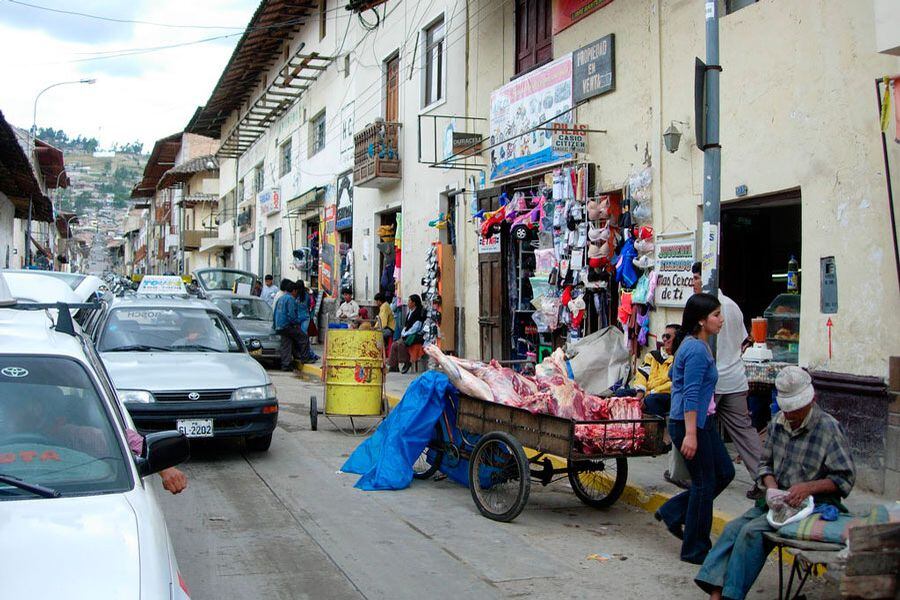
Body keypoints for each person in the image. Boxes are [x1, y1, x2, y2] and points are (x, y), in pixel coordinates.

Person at [695, 366, 855, 600]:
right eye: (787, 410)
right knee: (732, 529)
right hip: (778, 502)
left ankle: (732, 595)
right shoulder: (778, 422)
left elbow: (845, 478)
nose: (789, 415)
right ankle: (716, 592)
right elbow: (764, 464)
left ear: (811, 401)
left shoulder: (829, 428)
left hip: (815, 504)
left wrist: (807, 488)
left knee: (751, 532)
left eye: (795, 410)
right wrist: (770, 487)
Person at [655, 293, 735, 565]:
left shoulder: (695, 345)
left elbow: (676, 379)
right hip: (690, 424)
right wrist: (690, 434)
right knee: (705, 483)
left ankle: (673, 511)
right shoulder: (697, 349)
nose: (721, 319)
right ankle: (695, 549)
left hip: (702, 422)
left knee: (725, 472)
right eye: (716, 315)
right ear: (702, 320)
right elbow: (690, 394)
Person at [692, 261, 764, 499]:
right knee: (745, 433)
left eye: (695, 278)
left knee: (697, 428)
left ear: (706, 277)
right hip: (735, 378)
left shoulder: (706, 310)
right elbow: (744, 341)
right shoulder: (733, 306)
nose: (693, 283)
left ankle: (694, 476)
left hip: (712, 381)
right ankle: (764, 479)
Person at [633, 323, 679, 418]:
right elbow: (642, 374)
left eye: (668, 336)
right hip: (647, 392)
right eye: (663, 336)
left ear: (677, 339)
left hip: (665, 395)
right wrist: (640, 392)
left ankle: (657, 428)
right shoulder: (652, 355)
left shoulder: (679, 358)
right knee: (621, 395)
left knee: (651, 400)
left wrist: (651, 393)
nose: (665, 339)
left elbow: (674, 383)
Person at [387, 294, 426, 374]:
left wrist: (406, 334)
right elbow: (406, 325)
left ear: (414, 303)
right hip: (408, 334)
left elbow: (416, 328)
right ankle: (393, 365)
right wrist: (403, 332)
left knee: (401, 344)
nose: (407, 303)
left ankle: (406, 362)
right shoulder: (410, 312)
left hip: (415, 335)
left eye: (409, 301)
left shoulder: (418, 313)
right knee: (394, 344)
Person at [274, 282, 302, 371]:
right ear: (294, 291)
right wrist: (297, 322)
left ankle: (286, 363)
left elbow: (275, 312)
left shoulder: (281, 298)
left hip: (279, 325)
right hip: (286, 325)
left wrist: (275, 325)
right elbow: (291, 315)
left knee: (286, 344)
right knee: (303, 337)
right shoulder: (290, 299)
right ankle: (305, 358)